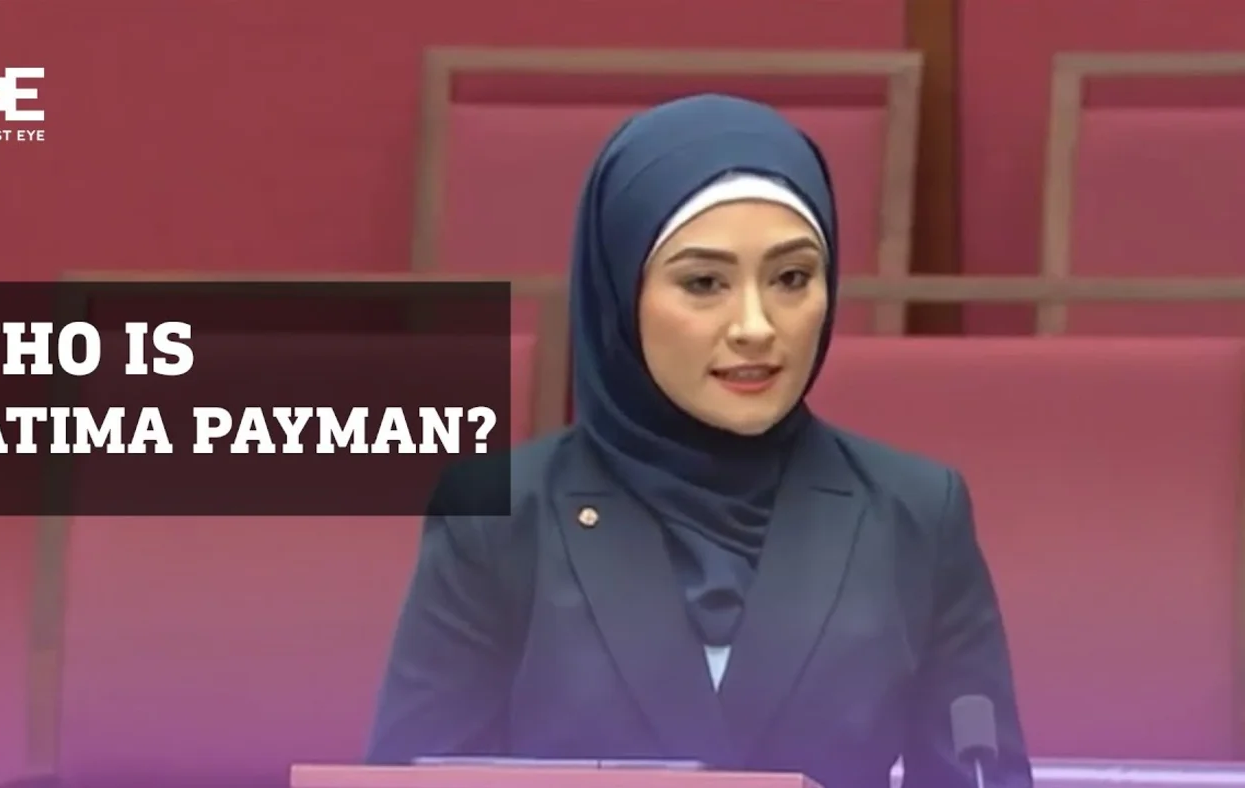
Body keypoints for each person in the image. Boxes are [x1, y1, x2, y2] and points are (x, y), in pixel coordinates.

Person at [365, 94, 1034, 788]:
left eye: (792, 278)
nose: (756, 326)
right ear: (621, 294)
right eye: (704, 283)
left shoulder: (915, 513)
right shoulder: (498, 517)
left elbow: (978, 772)